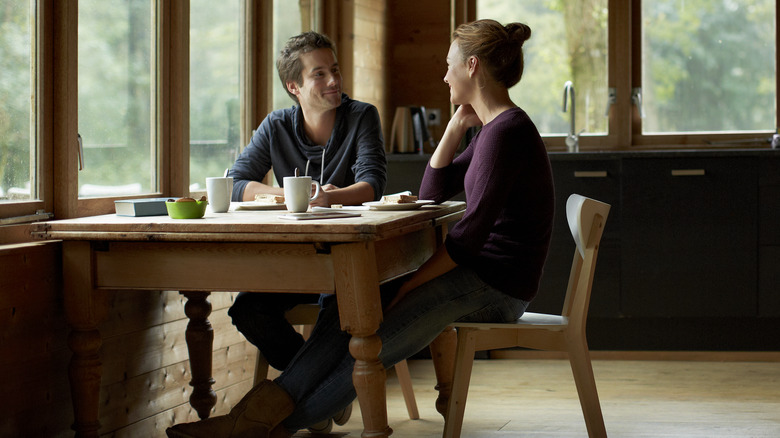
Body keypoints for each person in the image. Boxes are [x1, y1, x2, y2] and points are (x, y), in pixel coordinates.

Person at [167, 19, 554, 438]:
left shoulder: (506, 133)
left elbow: (467, 241)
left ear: (472, 66)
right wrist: (455, 128)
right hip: (479, 273)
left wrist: (408, 287)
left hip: (498, 286)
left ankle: (255, 425)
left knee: (375, 343)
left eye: (449, 65)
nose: (444, 74)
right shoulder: (490, 130)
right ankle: (257, 420)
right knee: (357, 306)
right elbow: (432, 191)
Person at [223, 31, 386, 431]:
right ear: (294, 86)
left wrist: (332, 198)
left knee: (341, 312)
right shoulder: (277, 124)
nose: (333, 80)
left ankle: (315, 397)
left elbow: (372, 184)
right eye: (319, 74)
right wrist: (283, 195)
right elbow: (237, 180)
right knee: (247, 309)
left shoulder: (361, 116)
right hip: (295, 261)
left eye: (334, 70)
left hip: (348, 263)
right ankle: (327, 392)